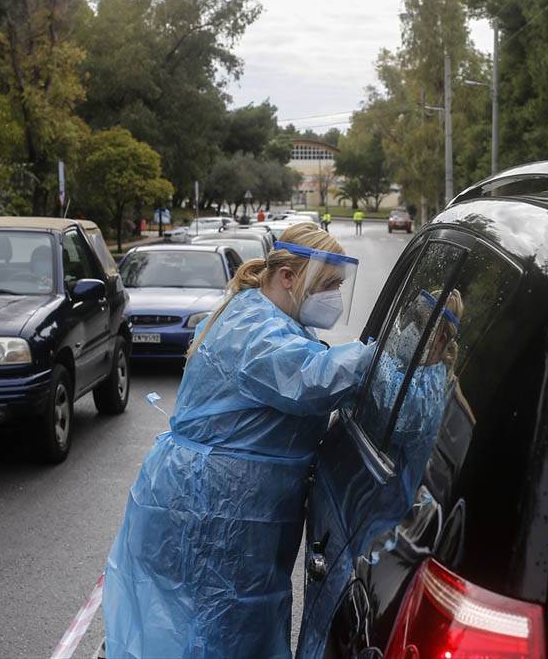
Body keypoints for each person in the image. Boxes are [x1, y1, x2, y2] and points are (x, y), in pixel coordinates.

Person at [103, 222, 373, 659]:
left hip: (226, 507)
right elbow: (312, 379)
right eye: (329, 285)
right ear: (288, 277)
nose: (335, 297)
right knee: (213, 631)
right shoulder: (253, 329)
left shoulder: (270, 319)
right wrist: (385, 355)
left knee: (221, 627)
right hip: (213, 508)